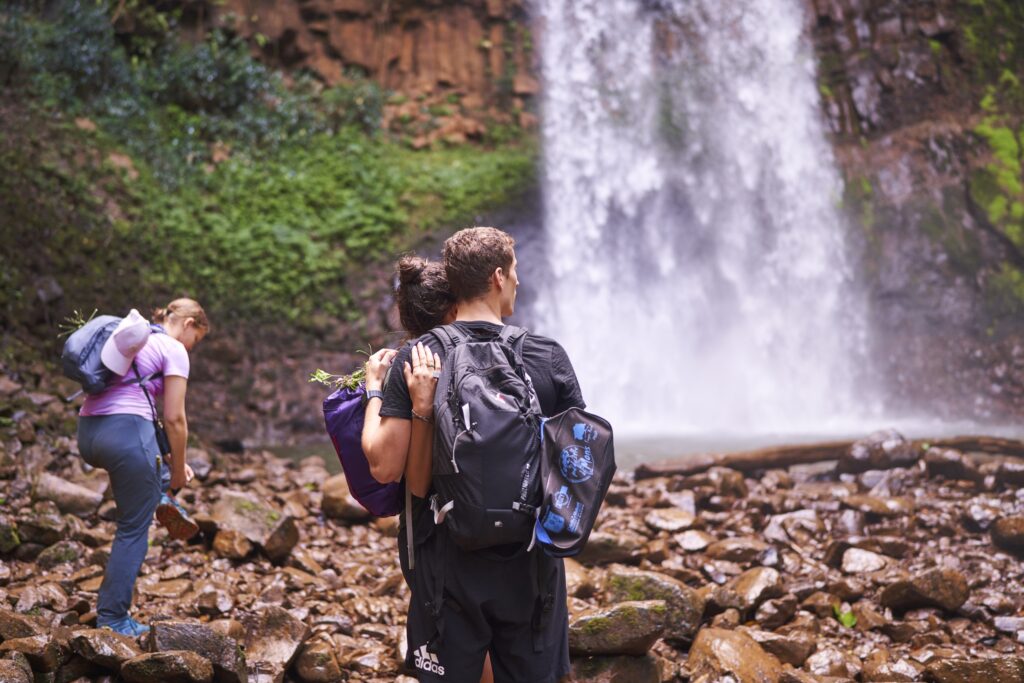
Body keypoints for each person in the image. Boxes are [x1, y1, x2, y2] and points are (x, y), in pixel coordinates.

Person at [365, 228, 585, 682]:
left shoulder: (418, 356)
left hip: (447, 559)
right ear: (499, 276)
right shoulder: (547, 356)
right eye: (517, 272)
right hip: (531, 561)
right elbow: (576, 466)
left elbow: (386, 467)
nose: (519, 283)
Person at [361, 255, 496, 683]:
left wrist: (373, 391)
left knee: (454, 639)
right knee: (495, 632)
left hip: (437, 525)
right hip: (504, 513)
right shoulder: (503, 348)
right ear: (456, 304)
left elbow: (384, 465)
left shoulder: (413, 360)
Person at [76, 298, 209, 635]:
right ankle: (114, 618)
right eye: (197, 339)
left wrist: (168, 463)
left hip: (89, 434)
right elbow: (175, 419)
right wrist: (179, 470)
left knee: (151, 470)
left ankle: (160, 492)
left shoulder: (132, 339)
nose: (192, 347)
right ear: (190, 323)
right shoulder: (172, 348)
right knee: (133, 529)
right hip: (126, 437)